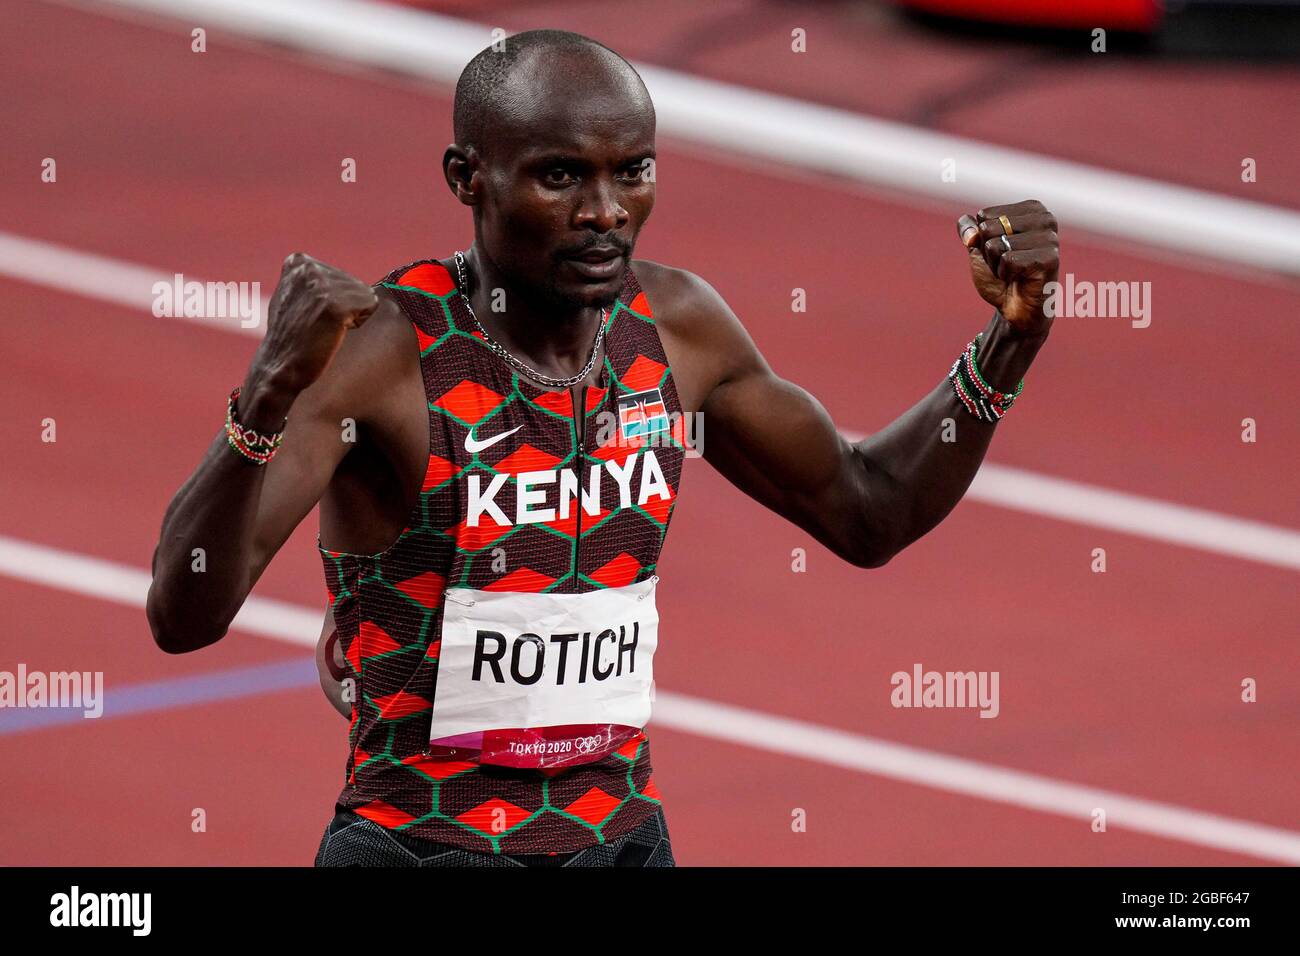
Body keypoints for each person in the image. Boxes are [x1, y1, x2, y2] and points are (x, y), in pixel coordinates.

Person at [146, 29, 1057, 867]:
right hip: (423, 847)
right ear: (469, 178)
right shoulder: (382, 354)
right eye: (560, 177)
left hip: (619, 842)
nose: (606, 212)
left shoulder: (678, 329)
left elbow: (869, 510)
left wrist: (1008, 340)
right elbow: (182, 616)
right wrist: (266, 393)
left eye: (632, 172)